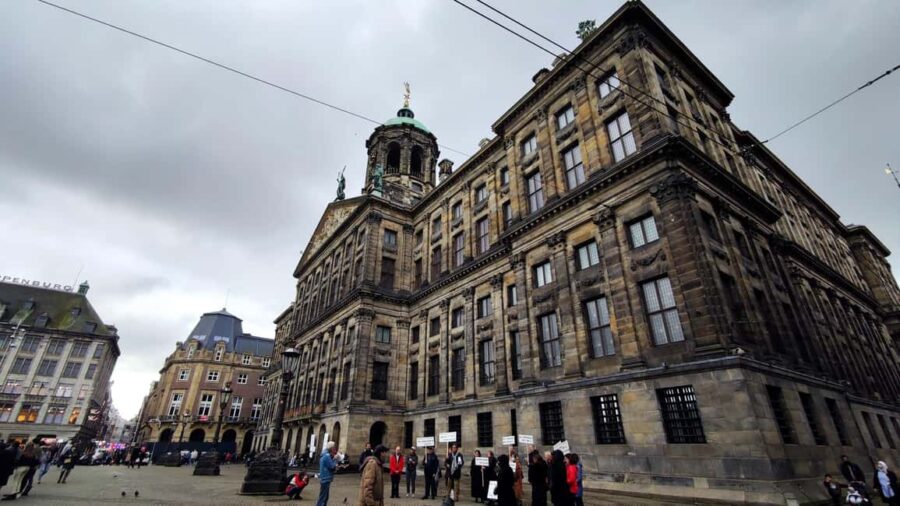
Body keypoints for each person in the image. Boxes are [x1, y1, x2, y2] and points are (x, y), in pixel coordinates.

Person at [317, 441, 338, 506]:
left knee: (325, 496)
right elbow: (332, 466)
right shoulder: (327, 456)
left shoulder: (325, 455)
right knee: (323, 497)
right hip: (326, 478)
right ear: (331, 448)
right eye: (334, 447)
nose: (335, 448)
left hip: (324, 478)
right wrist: (335, 459)